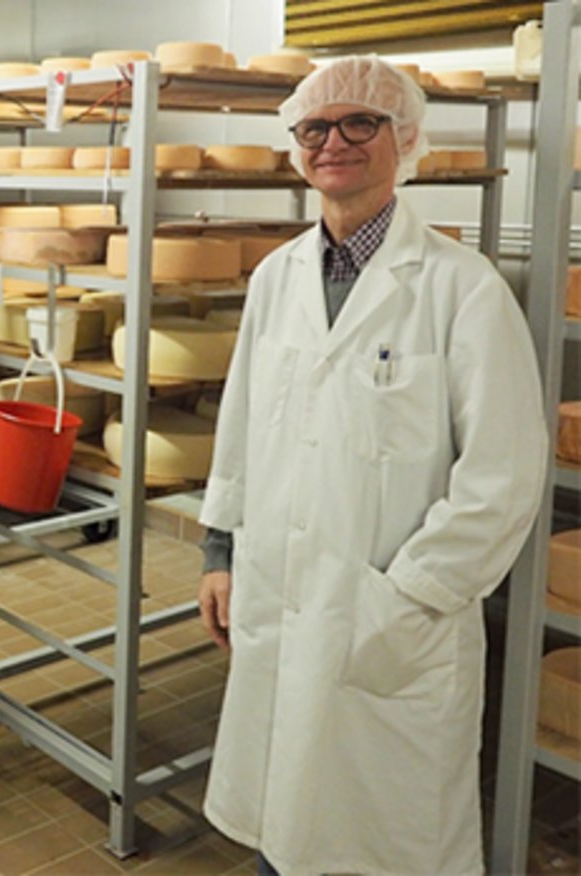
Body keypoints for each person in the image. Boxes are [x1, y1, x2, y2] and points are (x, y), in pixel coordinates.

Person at [196, 55, 549, 876]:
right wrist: (219, 550)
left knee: (377, 842)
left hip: (395, 620)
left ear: (406, 138)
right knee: (282, 824)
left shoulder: (463, 289)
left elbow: (502, 479)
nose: (335, 142)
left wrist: (407, 598)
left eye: (360, 123)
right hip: (280, 594)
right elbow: (241, 425)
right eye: (316, 127)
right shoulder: (276, 278)